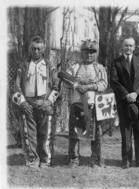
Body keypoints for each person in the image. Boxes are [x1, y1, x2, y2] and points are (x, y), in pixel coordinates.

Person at [12, 36, 59, 168]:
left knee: (45, 134)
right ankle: (33, 159)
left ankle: (45, 160)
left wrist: (49, 102)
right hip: (29, 105)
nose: (36, 51)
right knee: (30, 134)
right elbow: (16, 86)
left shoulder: (50, 66)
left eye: (39, 49)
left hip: (44, 104)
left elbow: (57, 85)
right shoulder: (24, 65)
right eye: (33, 49)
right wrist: (22, 103)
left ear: (43, 49)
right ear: (30, 49)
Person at [64, 40, 108, 168]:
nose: (89, 55)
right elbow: (66, 80)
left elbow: (104, 84)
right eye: (86, 52)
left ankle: (94, 158)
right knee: (74, 133)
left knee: (95, 133)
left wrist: (89, 87)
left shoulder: (99, 68)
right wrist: (75, 84)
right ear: (82, 52)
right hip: (77, 103)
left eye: (92, 52)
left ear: (96, 53)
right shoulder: (75, 67)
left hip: (93, 104)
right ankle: (74, 158)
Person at [111, 37, 139, 169]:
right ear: (122, 47)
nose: (128, 48)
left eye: (131, 46)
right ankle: (126, 160)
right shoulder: (116, 62)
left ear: (134, 47)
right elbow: (114, 81)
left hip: (138, 102)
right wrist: (126, 94)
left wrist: (136, 93)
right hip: (124, 102)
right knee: (126, 132)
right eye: (126, 45)